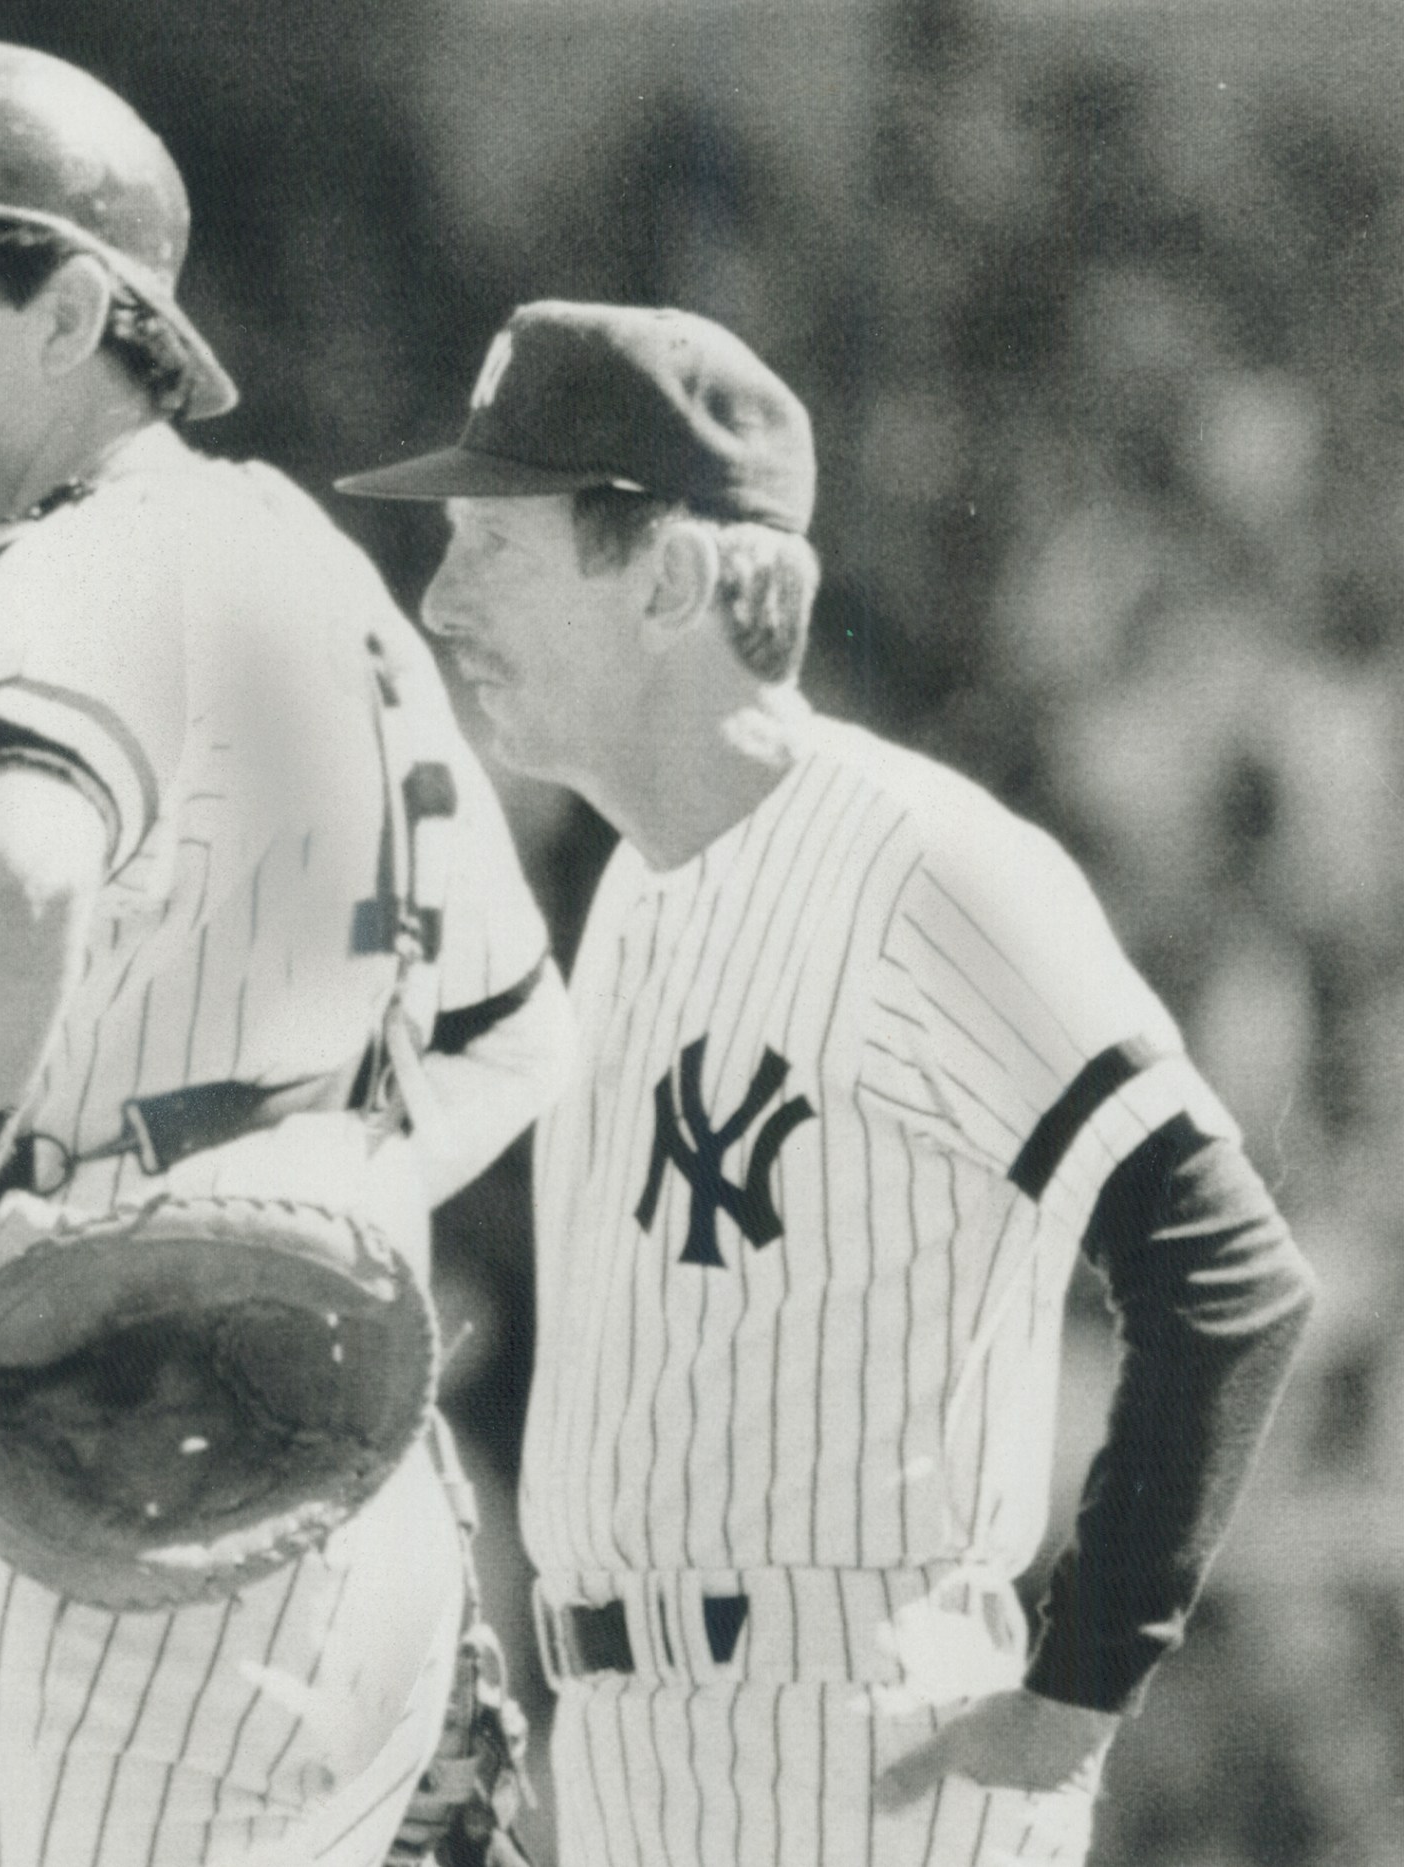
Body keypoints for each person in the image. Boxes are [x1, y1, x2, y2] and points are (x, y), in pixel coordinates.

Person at [336, 301, 1320, 1866]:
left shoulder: (922, 862)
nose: (443, 601)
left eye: (493, 549)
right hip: (644, 1746)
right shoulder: (636, 898)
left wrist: (1078, 1689)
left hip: (861, 1738)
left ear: (666, 578)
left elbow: (1229, 1274)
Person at [0, 40, 573, 1867]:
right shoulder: (289, 549)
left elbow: (16, 876)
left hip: (108, 1512)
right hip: (341, 1491)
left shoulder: (84, 561)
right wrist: (311, 1216)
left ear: (72, 313)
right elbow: (518, 1027)